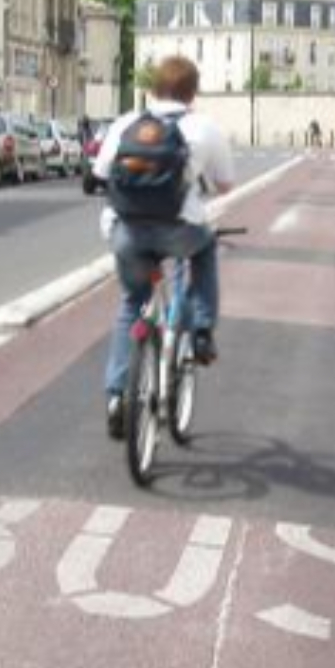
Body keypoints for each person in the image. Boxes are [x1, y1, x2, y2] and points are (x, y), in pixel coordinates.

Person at [91, 55, 235, 440]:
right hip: (179, 229)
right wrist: (198, 180)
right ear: (192, 92)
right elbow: (226, 185)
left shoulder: (126, 123)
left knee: (132, 304)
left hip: (127, 231)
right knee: (203, 250)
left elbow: (99, 175)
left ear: (153, 89)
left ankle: (117, 395)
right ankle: (201, 330)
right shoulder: (203, 127)